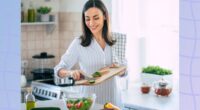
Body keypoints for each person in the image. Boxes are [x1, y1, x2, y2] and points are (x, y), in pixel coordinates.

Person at [54, 0, 127, 107]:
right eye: (87, 19)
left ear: (105, 16)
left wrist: (120, 71)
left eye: (96, 18)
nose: (91, 23)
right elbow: (58, 69)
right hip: (89, 104)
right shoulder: (78, 43)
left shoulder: (117, 40)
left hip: (114, 102)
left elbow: (124, 71)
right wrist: (71, 73)